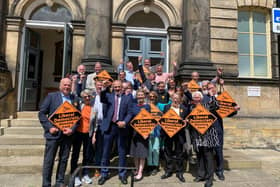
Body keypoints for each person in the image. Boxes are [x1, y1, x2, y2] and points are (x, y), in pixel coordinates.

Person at [38, 78, 79, 187]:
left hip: (67, 135)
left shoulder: (74, 98)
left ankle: (59, 182)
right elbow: (42, 113)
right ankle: (46, 184)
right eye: (65, 85)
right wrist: (49, 127)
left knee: (64, 159)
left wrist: (72, 129)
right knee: (49, 160)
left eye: (69, 85)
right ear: (60, 86)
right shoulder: (51, 96)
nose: (67, 87)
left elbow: (77, 118)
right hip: (53, 134)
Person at [98, 80, 133, 185]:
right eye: (115, 87)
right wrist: (104, 88)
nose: (117, 89)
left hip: (121, 127)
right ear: (113, 87)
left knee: (121, 151)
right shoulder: (108, 96)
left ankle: (122, 174)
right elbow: (102, 98)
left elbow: (130, 112)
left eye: (119, 87)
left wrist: (125, 122)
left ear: (122, 88)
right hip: (110, 126)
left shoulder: (128, 98)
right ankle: (104, 174)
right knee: (106, 151)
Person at [204, 83, 240, 181]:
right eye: (209, 88)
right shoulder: (205, 98)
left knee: (219, 150)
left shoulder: (221, 98)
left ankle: (220, 171)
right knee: (208, 152)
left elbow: (229, 112)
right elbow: (207, 108)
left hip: (218, 127)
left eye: (212, 88)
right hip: (207, 129)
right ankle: (209, 171)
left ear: (215, 88)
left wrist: (235, 109)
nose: (211, 89)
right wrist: (211, 97)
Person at [189, 91, 220, 187]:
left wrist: (212, 96)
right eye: (194, 97)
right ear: (193, 100)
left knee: (208, 157)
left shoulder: (207, 105)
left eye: (198, 97)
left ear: (201, 98)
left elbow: (216, 106)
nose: (196, 99)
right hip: (197, 136)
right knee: (199, 156)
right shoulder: (191, 108)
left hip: (208, 136)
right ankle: (201, 175)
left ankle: (209, 178)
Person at [161, 93, 190, 183]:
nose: (175, 100)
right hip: (168, 133)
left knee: (180, 153)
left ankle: (179, 172)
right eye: (174, 98)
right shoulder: (167, 107)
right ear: (171, 99)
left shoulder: (184, 109)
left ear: (180, 99)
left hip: (180, 134)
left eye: (177, 98)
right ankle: (169, 170)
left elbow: (187, 121)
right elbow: (163, 119)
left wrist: (186, 122)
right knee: (168, 151)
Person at [71, 89, 95, 186]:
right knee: (75, 154)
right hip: (78, 133)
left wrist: (94, 134)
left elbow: (95, 122)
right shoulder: (79, 106)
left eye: (89, 96)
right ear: (82, 98)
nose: (87, 98)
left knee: (87, 155)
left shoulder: (93, 107)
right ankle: (75, 175)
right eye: (85, 96)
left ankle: (85, 173)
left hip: (88, 134)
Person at [130, 89, 150, 181]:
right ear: (137, 96)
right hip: (134, 132)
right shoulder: (133, 106)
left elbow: (150, 121)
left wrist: (146, 132)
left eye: (142, 95)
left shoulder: (147, 107)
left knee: (142, 153)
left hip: (144, 133)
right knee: (135, 153)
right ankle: (136, 169)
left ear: (144, 96)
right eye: (139, 95)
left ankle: (140, 172)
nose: (140, 96)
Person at [147, 91, 161, 176]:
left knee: (156, 149)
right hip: (147, 130)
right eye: (150, 96)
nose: (152, 98)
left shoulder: (159, 106)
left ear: (156, 98)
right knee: (149, 149)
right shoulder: (146, 106)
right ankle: (149, 166)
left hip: (157, 131)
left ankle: (155, 166)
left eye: (154, 96)